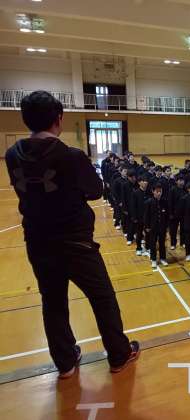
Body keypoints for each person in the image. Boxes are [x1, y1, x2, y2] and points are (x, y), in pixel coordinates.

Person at [5, 91, 139, 378]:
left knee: (52, 302)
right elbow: (95, 191)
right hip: (75, 243)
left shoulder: (12, 154)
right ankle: (119, 354)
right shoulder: (71, 156)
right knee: (102, 298)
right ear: (59, 119)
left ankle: (65, 362)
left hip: (38, 242)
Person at [144, 184, 169, 268]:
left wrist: (167, 226)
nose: (159, 193)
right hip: (152, 227)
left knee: (162, 243)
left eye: (160, 191)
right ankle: (153, 259)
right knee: (153, 244)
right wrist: (147, 227)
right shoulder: (149, 202)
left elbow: (167, 215)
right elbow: (146, 216)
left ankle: (163, 258)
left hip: (162, 227)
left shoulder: (164, 201)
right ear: (153, 191)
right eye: (157, 191)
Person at [132, 176, 150, 256]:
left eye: (146, 181)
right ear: (139, 182)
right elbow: (133, 206)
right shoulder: (135, 193)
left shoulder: (149, 192)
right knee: (139, 233)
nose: (145, 182)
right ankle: (138, 248)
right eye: (143, 181)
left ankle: (148, 247)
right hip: (139, 217)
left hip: (148, 217)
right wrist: (134, 217)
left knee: (148, 233)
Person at [168, 175, 186, 250]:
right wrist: (171, 213)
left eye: (182, 180)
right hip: (174, 214)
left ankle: (183, 242)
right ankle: (173, 243)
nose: (181, 182)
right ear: (176, 181)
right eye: (180, 180)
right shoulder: (172, 190)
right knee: (173, 230)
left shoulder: (185, 189)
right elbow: (170, 202)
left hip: (183, 213)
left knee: (183, 229)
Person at [122, 169, 139, 245]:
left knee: (138, 223)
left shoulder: (138, 184)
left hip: (137, 207)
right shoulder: (125, 185)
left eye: (134, 177)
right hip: (129, 208)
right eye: (131, 177)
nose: (133, 178)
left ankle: (139, 236)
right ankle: (129, 238)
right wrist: (124, 209)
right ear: (128, 177)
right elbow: (123, 198)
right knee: (130, 223)